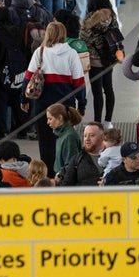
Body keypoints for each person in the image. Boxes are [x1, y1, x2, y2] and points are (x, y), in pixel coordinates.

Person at [23, 21, 86, 170]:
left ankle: (48, 173)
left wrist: (24, 99)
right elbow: (79, 83)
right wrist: (82, 104)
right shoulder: (71, 54)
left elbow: (28, 78)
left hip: (42, 105)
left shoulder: (40, 52)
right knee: (65, 138)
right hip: (65, 106)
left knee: (45, 141)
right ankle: (64, 172)